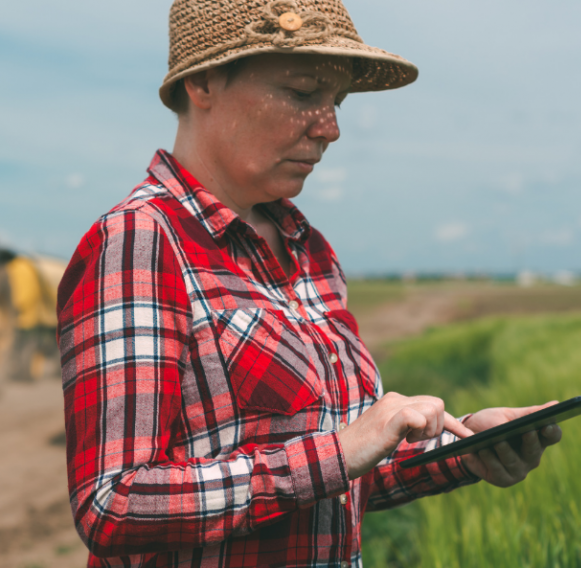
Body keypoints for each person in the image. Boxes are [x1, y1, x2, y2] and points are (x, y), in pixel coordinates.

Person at [56, 1, 563, 566]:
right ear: (202, 82)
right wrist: (339, 453)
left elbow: (339, 478)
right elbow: (112, 502)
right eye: (302, 94)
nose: (332, 129)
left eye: (336, 102)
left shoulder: (308, 249)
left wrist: (466, 447)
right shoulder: (139, 242)